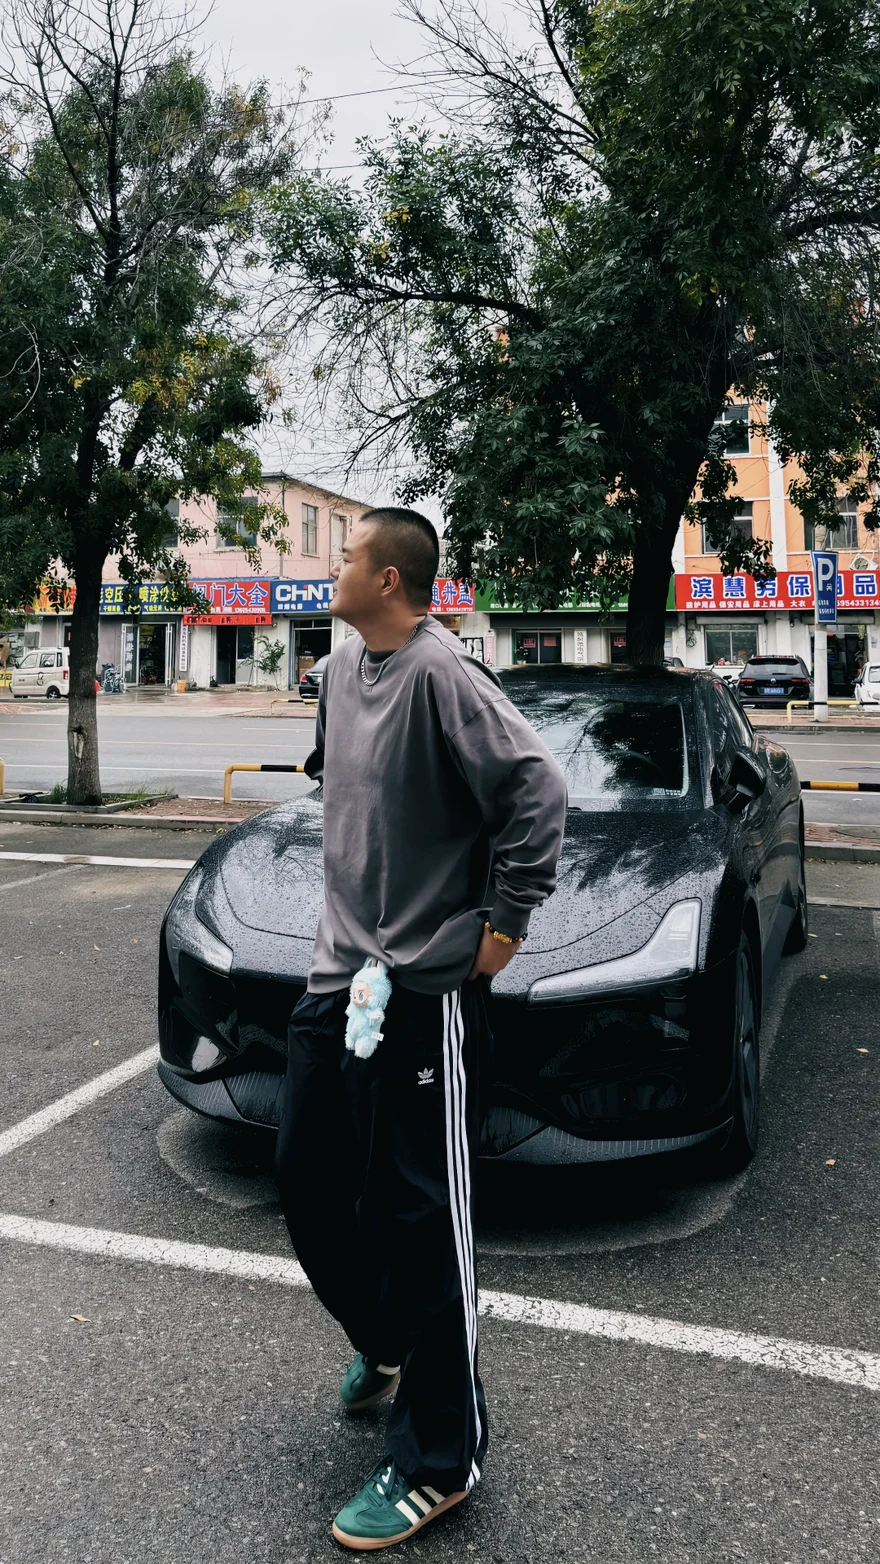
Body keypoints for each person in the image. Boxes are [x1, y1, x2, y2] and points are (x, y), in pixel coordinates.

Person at [275, 507, 567, 1552]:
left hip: (422, 990)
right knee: (308, 1178)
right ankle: (386, 1336)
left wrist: (502, 925)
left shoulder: (442, 674)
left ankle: (441, 1458)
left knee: (421, 1215)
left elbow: (537, 790)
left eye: (348, 554)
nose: (333, 567)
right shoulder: (337, 673)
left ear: (390, 579)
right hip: (341, 979)